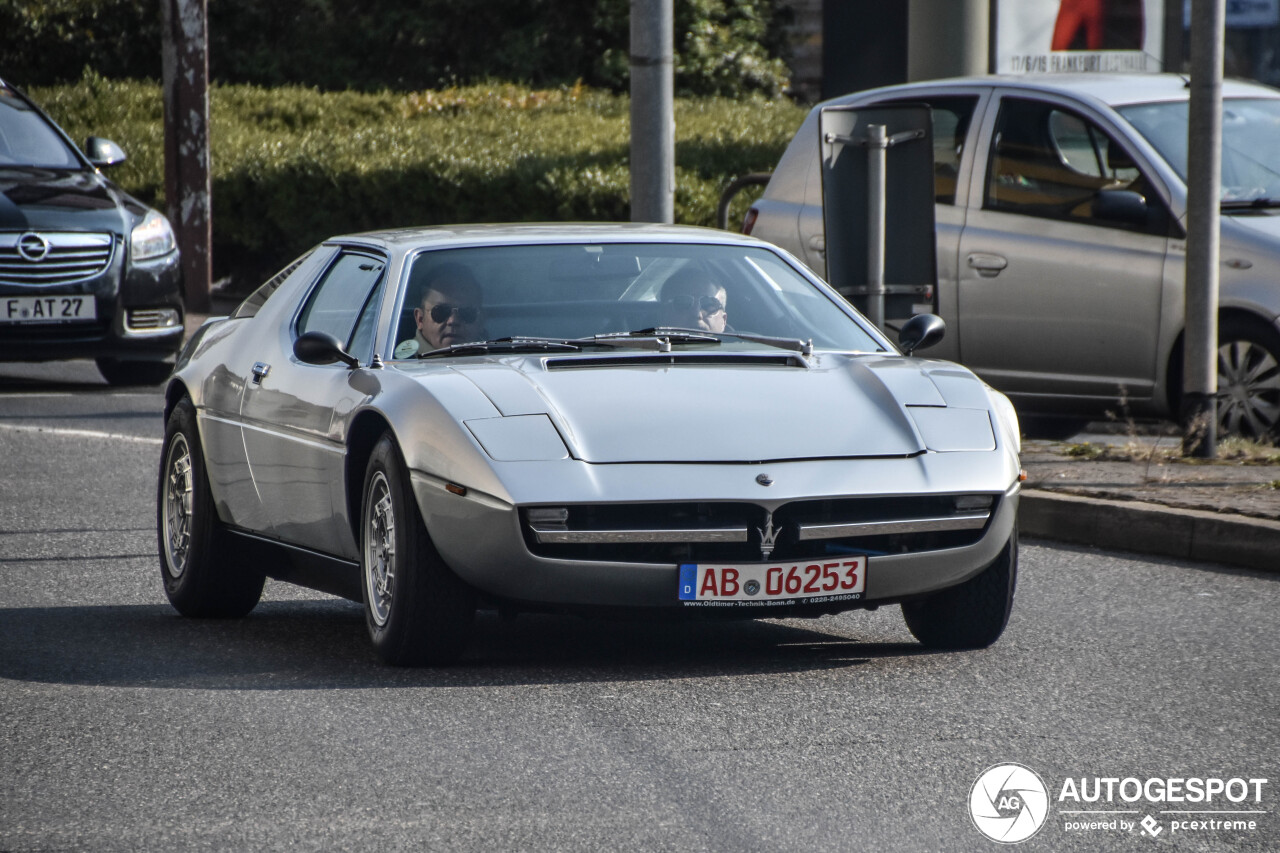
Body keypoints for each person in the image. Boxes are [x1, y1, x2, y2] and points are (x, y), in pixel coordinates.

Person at [393, 263, 483, 358]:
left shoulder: (497, 358)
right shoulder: (397, 366)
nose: (453, 321)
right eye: (441, 311)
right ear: (420, 319)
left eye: (467, 313)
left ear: (481, 321)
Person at [658, 266, 729, 333]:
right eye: (683, 304)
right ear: (663, 314)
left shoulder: (739, 344)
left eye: (708, 305)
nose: (697, 314)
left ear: (724, 320)